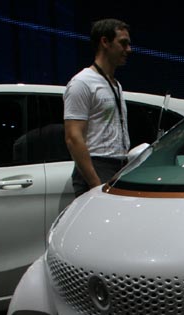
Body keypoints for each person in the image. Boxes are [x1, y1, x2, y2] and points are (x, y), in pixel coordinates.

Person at [64, 18, 132, 197]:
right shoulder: (82, 83)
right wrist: (95, 183)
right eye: (123, 43)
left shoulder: (116, 84)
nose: (128, 49)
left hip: (119, 166)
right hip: (97, 166)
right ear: (105, 42)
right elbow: (73, 137)